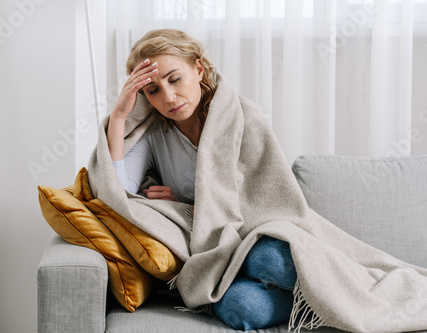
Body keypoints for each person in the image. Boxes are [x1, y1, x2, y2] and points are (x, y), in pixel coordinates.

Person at [106, 28, 298, 330]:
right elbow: (118, 192)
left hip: (256, 238)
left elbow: (268, 199)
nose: (168, 97)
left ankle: (318, 290)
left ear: (198, 68)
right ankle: (306, 301)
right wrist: (118, 116)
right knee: (241, 309)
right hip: (211, 255)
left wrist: (186, 207)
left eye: (174, 78)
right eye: (152, 90)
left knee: (271, 262)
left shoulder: (243, 117)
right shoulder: (154, 134)